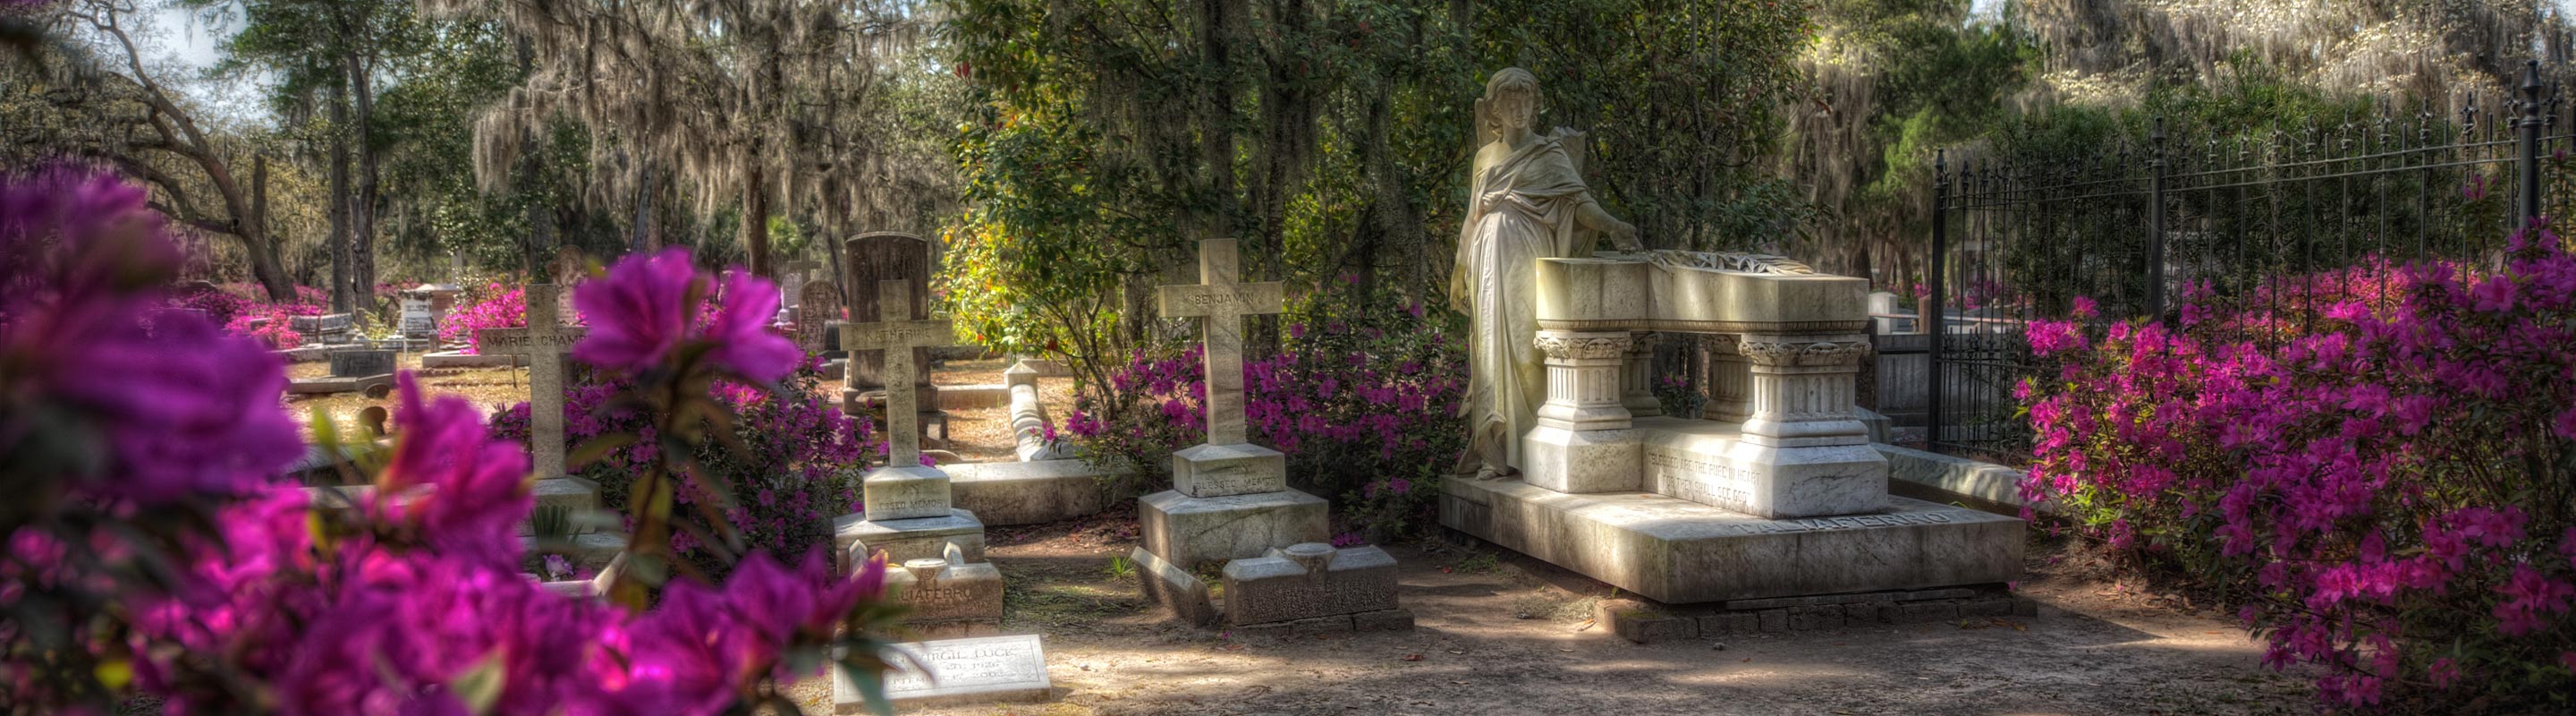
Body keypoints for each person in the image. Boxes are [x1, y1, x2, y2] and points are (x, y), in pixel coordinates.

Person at [1448, 67, 1640, 479]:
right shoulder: (1485, 157)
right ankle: (1494, 449)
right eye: (1509, 101)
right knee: (1490, 351)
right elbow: (1472, 217)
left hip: (1527, 259)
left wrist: (1614, 226)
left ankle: (1534, 445)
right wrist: (1459, 269)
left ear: (1536, 105)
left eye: (1526, 100)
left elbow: (1579, 205)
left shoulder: (1549, 154)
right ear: (1494, 109)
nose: (1519, 108)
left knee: (1526, 348)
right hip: (1485, 266)